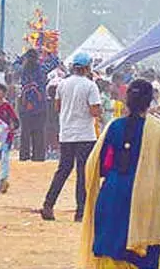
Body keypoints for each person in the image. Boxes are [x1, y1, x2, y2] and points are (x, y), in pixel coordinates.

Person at [78, 78, 160, 269]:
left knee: (110, 246)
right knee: (144, 256)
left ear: (127, 101)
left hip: (113, 193)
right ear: (151, 100)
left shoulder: (113, 127)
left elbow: (97, 165)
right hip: (147, 198)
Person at [41, 53, 102, 222]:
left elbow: (58, 107)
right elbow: (94, 111)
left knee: (63, 169)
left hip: (67, 133)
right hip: (85, 134)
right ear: (87, 67)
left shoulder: (62, 84)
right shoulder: (91, 86)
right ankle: (81, 211)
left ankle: (48, 204)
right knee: (83, 173)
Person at [18, 52, 49, 162]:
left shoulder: (22, 70)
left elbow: (14, 64)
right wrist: (48, 53)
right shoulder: (42, 69)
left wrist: (23, 56)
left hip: (24, 104)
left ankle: (24, 155)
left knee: (25, 132)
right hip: (39, 105)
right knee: (39, 132)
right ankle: (38, 156)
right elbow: (55, 62)